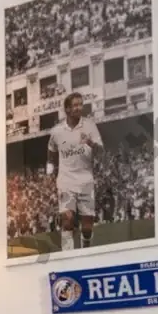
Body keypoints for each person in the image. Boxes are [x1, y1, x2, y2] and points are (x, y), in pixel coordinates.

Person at [47, 91, 103, 251]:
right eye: (75, 105)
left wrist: (91, 143)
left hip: (86, 180)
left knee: (87, 227)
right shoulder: (57, 131)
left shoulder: (90, 126)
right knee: (67, 219)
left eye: (81, 104)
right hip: (66, 181)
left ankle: (86, 248)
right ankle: (67, 257)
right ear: (67, 109)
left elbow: (101, 151)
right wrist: (50, 165)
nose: (79, 108)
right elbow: (51, 149)